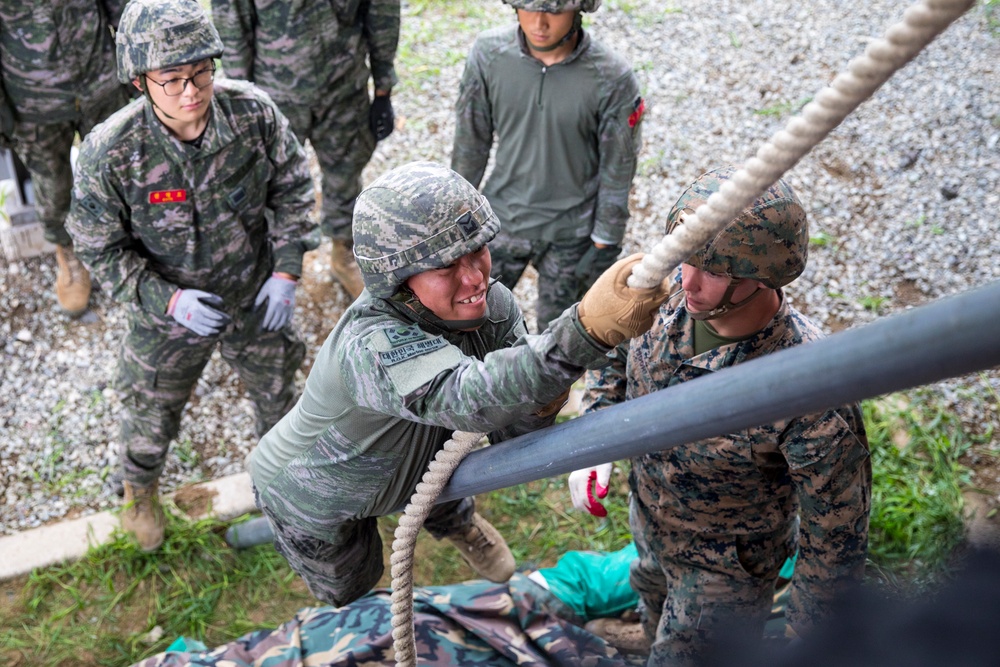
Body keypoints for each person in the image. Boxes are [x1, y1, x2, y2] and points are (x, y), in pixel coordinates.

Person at [247, 160, 671, 608]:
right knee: (355, 590)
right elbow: (471, 401)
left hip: (420, 458)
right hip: (311, 493)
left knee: (440, 483)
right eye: (446, 265)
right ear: (397, 279)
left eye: (477, 250)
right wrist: (583, 332)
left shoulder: (492, 309)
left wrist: (545, 398)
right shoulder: (369, 344)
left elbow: (512, 434)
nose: (475, 277)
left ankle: (458, 526)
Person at [568, 167, 872, 666]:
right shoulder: (661, 300)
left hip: (726, 570)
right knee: (651, 600)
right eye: (685, 257)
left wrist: (815, 624)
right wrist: (596, 435)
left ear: (764, 273)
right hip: (650, 519)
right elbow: (610, 353)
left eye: (714, 269)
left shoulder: (809, 384)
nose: (688, 280)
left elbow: (837, 521)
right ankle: (651, 637)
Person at [65, 0, 317, 552]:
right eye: (173, 79)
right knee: (150, 404)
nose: (191, 91)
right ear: (139, 82)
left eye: (202, 72)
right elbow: (98, 247)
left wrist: (287, 269)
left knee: (279, 392)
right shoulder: (112, 152)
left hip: (253, 291)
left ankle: (287, 488)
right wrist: (166, 300)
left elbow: (295, 189)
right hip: (167, 311)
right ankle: (139, 489)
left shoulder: (252, 113)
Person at [451, 0, 644, 332]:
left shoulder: (612, 76)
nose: (539, 22)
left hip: (572, 235)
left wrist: (606, 240)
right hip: (501, 223)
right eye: (529, 8)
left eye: (553, 11)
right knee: (467, 328)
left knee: (560, 346)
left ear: (577, 11)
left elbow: (619, 166)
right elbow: (471, 143)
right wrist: (453, 219)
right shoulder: (488, 55)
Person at [211, 0, 400, 299]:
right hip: (274, 95)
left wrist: (383, 86)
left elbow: (381, 9)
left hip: (344, 85)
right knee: (267, 181)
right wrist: (241, 100)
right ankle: (274, 263)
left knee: (345, 172)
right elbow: (232, 23)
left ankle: (343, 253)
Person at [0, 1, 135, 316]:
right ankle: (69, 252)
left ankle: (126, 244)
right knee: (54, 186)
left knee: (120, 170)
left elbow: (125, 8)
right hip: (32, 101)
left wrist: (138, 65)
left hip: (99, 78)